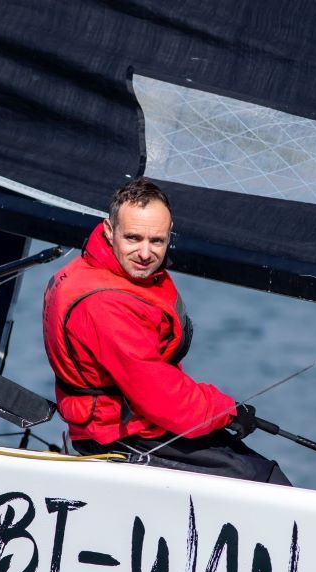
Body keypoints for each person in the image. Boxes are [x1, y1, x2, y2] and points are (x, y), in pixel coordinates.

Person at [43, 178, 290, 484]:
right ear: (109, 229)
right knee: (265, 480)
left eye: (157, 241)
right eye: (133, 238)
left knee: (257, 467)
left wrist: (221, 411)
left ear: (169, 234)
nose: (145, 253)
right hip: (120, 435)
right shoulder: (105, 303)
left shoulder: (94, 270)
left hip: (138, 421)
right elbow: (160, 397)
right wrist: (226, 410)